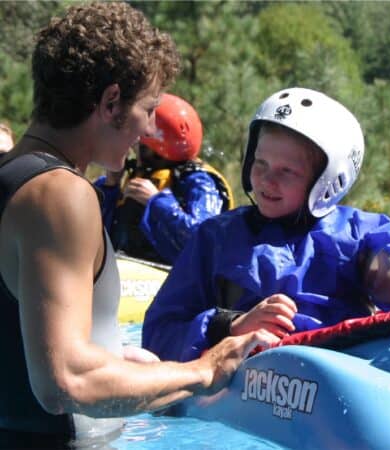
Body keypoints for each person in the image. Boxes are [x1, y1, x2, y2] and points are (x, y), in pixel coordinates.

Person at [0, 3, 277, 448]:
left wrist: (115, 358)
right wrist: (202, 371)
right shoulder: (62, 195)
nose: (149, 128)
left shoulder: (12, 177)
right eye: (147, 108)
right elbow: (65, 382)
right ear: (111, 102)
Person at [142, 86, 390, 363]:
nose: (266, 180)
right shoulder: (215, 237)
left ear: (329, 181)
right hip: (247, 381)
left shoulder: (357, 233)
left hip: (341, 372)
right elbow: (159, 333)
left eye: (287, 171)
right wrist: (231, 325)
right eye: (260, 163)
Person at [95, 93, 234, 264]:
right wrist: (110, 186)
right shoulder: (137, 173)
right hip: (127, 269)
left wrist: (156, 201)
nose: (133, 144)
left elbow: (202, 236)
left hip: (171, 279)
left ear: (154, 149)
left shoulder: (200, 182)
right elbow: (96, 233)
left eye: (140, 143)